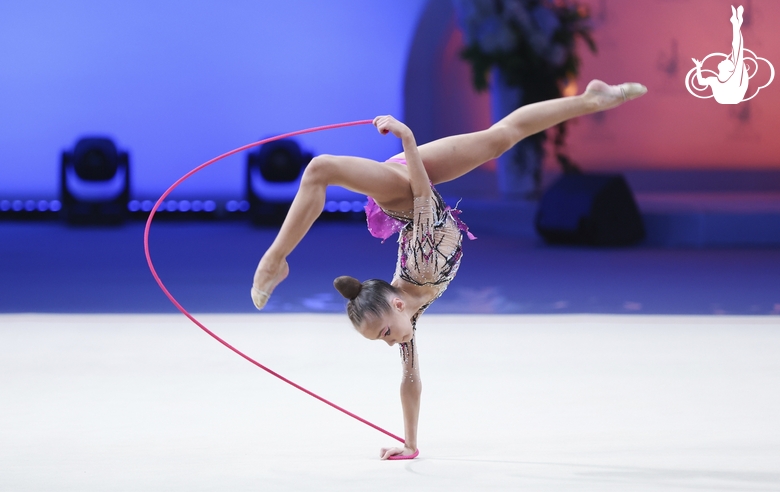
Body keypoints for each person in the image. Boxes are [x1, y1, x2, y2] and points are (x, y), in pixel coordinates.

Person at [251, 79, 647, 459]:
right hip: (413, 185)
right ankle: (592, 99)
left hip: (406, 190)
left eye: (386, 334)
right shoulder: (409, 313)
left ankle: (274, 260)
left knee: (320, 168)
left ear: (398, 306)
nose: (392, 343)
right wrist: (410, 444)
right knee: (500, 138)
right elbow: (410, 383)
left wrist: (407, 139)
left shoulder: (421, 266)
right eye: (384, 341)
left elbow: (423, 195)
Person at [692, 5, 748, 104]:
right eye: (727, 61)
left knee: (737, 51)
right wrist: (698, 67)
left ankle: (736, 23)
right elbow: (738, 50)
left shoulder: (718, 79)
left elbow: (701, 81)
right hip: (730, 96)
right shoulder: (719, 79)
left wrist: (698, 67)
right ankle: (736, 23)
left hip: (731, 96)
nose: (724, 59)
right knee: (737, 52)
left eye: (726, 61)